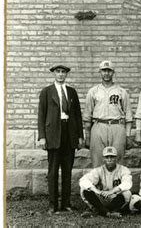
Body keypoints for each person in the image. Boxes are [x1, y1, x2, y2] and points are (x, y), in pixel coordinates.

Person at [38, 64, 84, 214]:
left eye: (63, 72)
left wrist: (80, 136)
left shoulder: (71, 92)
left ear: (66, 75)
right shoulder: (46, 92)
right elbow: (41, 115)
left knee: (67, 170)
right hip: (53, 135)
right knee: (52, 172)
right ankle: (53, 205)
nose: (60, 74)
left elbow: (77, 115)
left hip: (69, 134)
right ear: (54, 74)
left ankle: (66, 204)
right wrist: (42, 137)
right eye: (58, 72)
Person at [83, 60, 133, 167]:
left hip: (117, 127)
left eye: (109, 71)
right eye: (104, 71)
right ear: (100, 72)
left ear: (113, 72)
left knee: (117, 159)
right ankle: (100, 183)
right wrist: (87, 136)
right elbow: (87, 117)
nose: (106, 73)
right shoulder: (93, 91)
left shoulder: (121, 91)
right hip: (98, 126)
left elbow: (128, 116)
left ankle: (117, 183)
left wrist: (128, 136)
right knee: (97, 160)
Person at [79, 146, 133, 219]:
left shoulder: (123, 169)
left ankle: (99, 210)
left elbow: (128, 183)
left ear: (116, 158)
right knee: (84, 189)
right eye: (107, 157)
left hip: (115, 197)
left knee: (127, 193)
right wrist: (96, 191)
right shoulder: (98, 170)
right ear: (103, 159)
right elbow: (83, 180)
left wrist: (112, 191)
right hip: (101, 197)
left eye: (112, 157)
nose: (109, 159)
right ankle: (108, 213)